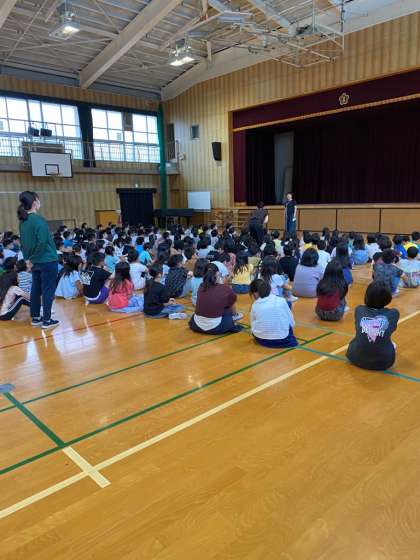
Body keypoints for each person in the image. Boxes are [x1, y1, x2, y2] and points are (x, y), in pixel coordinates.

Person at [18, 191, 59, 329]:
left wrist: (28, 259)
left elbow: (23, 244)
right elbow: (42, 243)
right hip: (47, 259)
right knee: (48, 290)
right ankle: (47, 320)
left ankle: (36, 317)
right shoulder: (38, 219)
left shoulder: (23, 222)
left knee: (36, 288)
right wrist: (32, 259)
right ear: (35, 202)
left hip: (34, 261)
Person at [346, 281, 399, 370]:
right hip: (384, 363)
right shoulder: (393, 313)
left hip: (354, 357)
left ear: (367, 295)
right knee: (390, 342)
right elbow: (390, 330)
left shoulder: (359, 310)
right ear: (388, 297)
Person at [189, 264, 243, 334]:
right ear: (218, 274)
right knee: (228, 308)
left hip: (196, 325)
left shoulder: (201, 286)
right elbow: (232, 301)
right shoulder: (225, 288)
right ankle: (235, 316)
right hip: (216, 327)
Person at [249, 279, 298, 348]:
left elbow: (252, 326)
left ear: (254, 293)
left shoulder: (255, 305)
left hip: (262, 340)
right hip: (284, 340)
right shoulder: (281, 300)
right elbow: (292, 323)